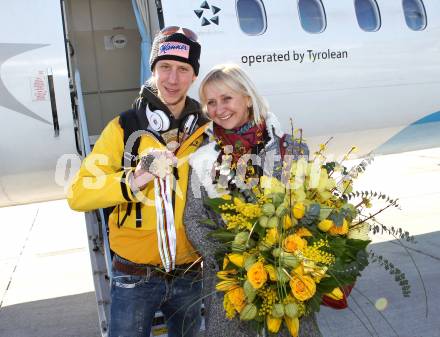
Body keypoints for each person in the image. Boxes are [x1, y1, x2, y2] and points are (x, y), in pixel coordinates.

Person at [67, 27, 209, 337]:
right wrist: (132, 180)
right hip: (134, 278)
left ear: (194, 75)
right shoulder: (123, 127)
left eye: (183, 69)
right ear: (153, 69)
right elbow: (78, 195)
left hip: (190, 275)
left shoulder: (205, 132)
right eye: (164, 67)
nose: (173, 79)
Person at [184, 64, 322, 337]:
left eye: (226, 98)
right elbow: (194, 218)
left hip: (287, 280)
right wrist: (233, 264)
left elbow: (312, 208)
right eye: (210, 102)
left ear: (247, 98)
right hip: (230, 286)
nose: (219, 108)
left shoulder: (290, 150)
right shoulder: (203, 160)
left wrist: (284, 258)